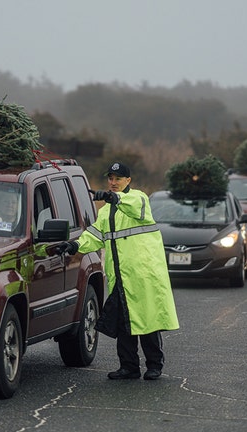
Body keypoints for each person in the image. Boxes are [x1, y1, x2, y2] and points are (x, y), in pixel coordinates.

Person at [57, 162, 179, 380]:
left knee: (148, 320)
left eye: (118, 179)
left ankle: (154, 365)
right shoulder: (105, 213)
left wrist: (114, 198)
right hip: (120, 276)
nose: (113, 183)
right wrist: (74, 246)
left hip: (143, 274)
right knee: (124, 324)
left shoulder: (139, 198)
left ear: (128, 181)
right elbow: (94, 236)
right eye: (110, 179)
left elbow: (133, 206)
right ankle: (129, 367)